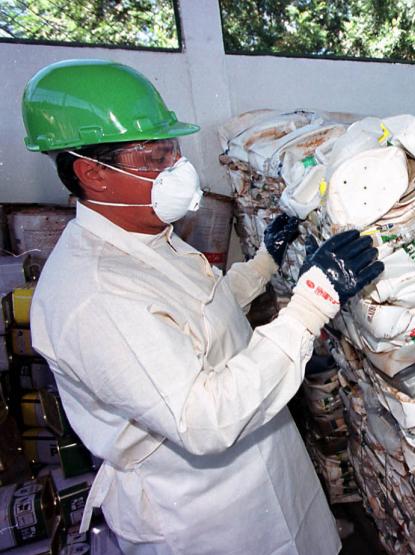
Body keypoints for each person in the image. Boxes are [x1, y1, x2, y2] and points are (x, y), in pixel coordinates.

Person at [21, 59, 383, 555]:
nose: (176, 169)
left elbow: (200, 319)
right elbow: (204, 418)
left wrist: (261, 265)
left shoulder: (145, 236)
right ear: (92, 174)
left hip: (262, 467)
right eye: (153, 158)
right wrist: (311, 305)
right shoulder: (93, 294)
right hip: (203, 511)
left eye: (173, 150)